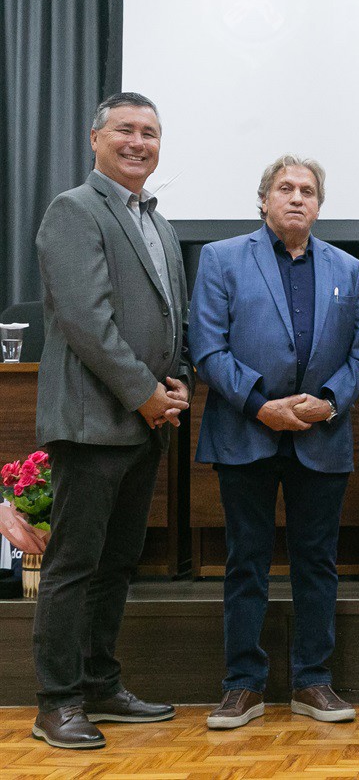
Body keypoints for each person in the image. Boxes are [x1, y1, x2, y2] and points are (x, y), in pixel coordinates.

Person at [189, 155, 359, 730]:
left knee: (316, 563)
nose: (297, 198)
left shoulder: (348, 266)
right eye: (285, 188)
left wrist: (328, 401)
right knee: (246, 560)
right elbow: (207, 350)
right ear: (263, 199)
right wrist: (261, 406)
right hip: (245, 432)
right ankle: (242, 685)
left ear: (320, 204)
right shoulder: (221, 259)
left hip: (322, 434)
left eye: (309, 191)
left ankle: (312, 681)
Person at [30, 92, 189, 749]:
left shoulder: (159, 222)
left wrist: (173, 383)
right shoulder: (75, 210)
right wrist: (144, 392)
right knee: (74, 563)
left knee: (118, 562)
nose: (138, 142)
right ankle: (57, 701)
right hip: (94, 420)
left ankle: (99, 680)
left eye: (150, 132)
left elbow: (164, 315)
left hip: (144, 421)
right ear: (94, 138)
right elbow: (87, 323)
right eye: (125, 129)